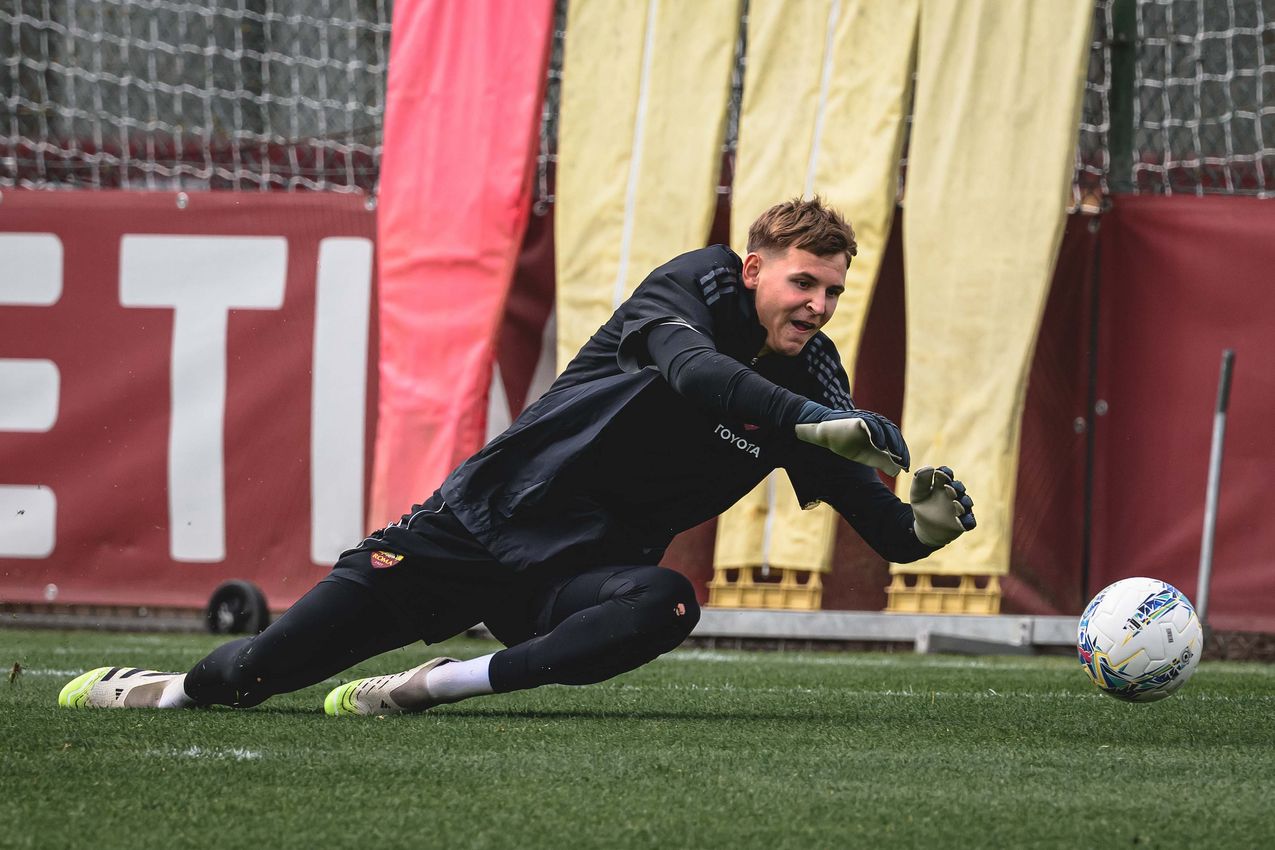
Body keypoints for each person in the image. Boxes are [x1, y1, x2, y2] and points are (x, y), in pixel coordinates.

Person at [58, 197, 976, 715]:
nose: (816, 305)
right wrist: (813, 424)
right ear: (751, 270)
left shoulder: (814, 379)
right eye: (802, 283)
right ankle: (167, 686)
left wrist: (922, 527)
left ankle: (429, 688)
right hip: (471, 527)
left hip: (568, 580)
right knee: (247, 680)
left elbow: (882, 527)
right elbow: (698, 378)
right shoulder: (688, 290)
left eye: (832, 292)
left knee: (665, 603)